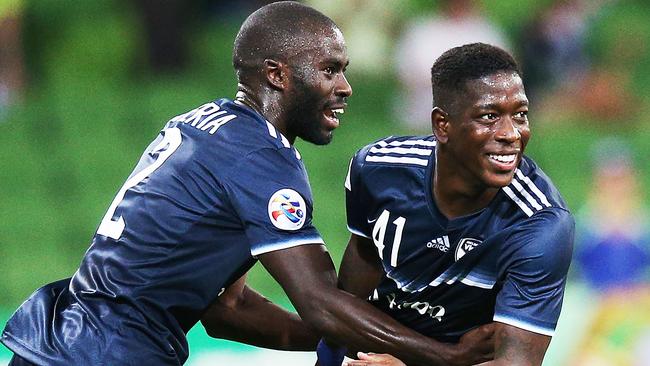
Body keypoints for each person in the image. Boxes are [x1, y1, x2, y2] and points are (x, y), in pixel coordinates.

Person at [1, 3, 494, 365]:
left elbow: (227, 308)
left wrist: (350, 341)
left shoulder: (205, 124)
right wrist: (439, 352)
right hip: (108, 353)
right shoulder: (261, 156)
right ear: (277, 75)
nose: (345, 87)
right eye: (329, 70)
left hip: (62, 344)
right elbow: (321, 304)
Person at [320, 43, 575, 366]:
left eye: (520, 115)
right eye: (490, 116)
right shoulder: (377, 169)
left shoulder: (539, 224)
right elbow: (350, 296)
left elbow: (516, 363)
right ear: (442, 125)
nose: (511, 133)